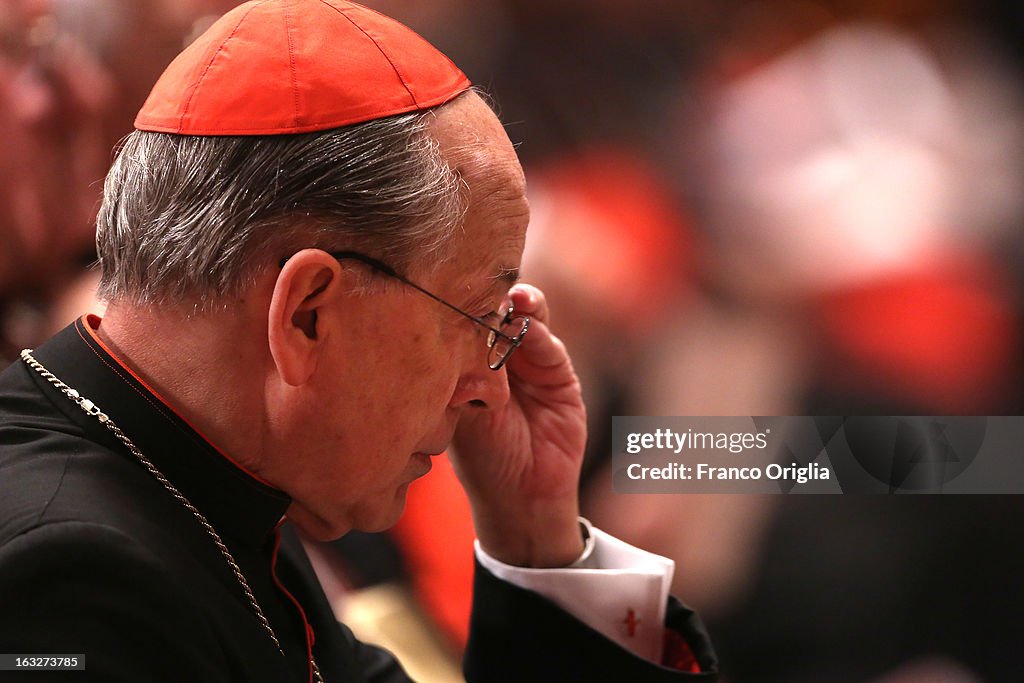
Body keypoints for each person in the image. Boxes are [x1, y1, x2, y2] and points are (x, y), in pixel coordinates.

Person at [0, 1, 717, 680]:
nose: (490, 384)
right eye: (476, 318)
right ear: (307, 312)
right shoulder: (73, 581)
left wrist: (537, 538)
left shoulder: (223, 486)